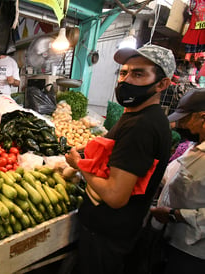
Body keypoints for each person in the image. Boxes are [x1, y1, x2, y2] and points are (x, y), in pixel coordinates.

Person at [65, 44, 175, 274]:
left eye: (138, 74)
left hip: (107, 237)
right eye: (123, 72)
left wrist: (79, 165)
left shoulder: (142, 126)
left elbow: (116, 196)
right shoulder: (139, 115)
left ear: (162, 84)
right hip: (115, 230)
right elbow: (118, 151)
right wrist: (90, 148)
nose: (125, 81)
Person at [150, 89, 205, 274]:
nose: (179, 124)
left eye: (185, 118)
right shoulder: (195, 147)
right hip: (170, 239)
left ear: (203, 117)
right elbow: (171, 177)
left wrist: (174, 214)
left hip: (192, 252)